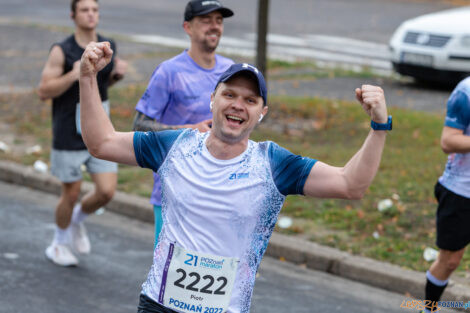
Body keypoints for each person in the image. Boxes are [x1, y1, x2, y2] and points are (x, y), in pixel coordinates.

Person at [79, 41, 391, 313]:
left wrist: (379, 126)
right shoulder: (175, 146)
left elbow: (351, 184)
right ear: (212, 99)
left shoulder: (273, 164)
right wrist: (88, 76)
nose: (238, 105)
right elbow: (101, 143)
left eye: (250, 100)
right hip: (159, 305)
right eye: (229, 94)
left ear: (262, 112)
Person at [132, 0, 234, 248]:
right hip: (175, 191)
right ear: (187, 27)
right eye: (206, 20)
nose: (214, 27)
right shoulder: (169, 72)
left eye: (218, 21)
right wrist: (189, 130)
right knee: (169, 274)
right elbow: (140, 125)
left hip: (219, 190)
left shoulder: (230, 71)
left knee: (213, 267)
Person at [37, 0, 127, 266]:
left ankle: (76, 221)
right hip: (68, 129)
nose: (91, 14)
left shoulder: (107, 45)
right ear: (73, 15)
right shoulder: (61, 50)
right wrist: (74, 74)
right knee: (72, 192)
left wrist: (115, 76)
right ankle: (58, 244)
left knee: (107, 192)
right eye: (85, 10)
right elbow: (44, 91)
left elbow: (102, 82)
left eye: (95, 10)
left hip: (100, 129)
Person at [420, 77, 470, 313]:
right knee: (450, 260)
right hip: (461, 191)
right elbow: (448, 140)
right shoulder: (466, 92)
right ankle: (428, 309)